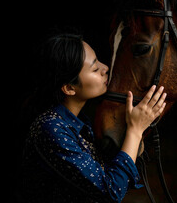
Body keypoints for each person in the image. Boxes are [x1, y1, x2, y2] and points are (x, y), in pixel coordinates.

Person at [16, 31, 167, 203]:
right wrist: (135, 130)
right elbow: (110, 191)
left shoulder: (78, 122)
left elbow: (106, 174)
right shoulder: (50, 129)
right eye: (95, 69)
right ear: (69, 88)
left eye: (99, 61)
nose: (105, 68)